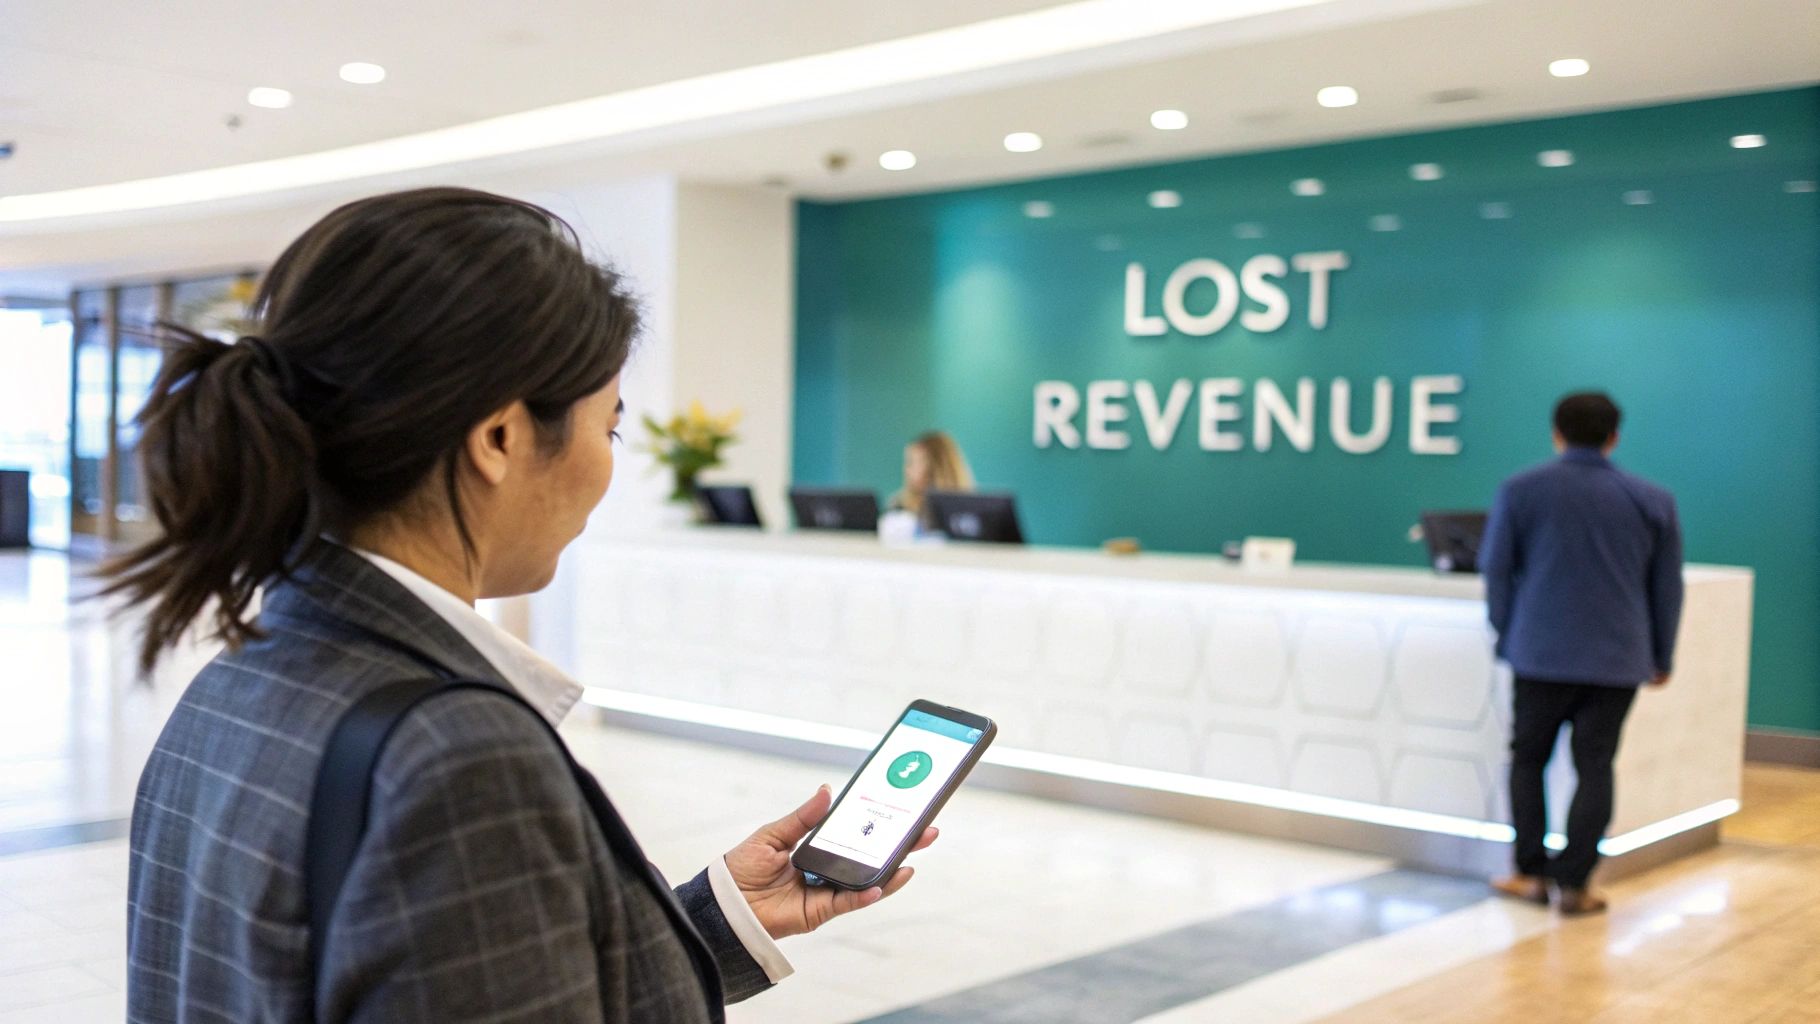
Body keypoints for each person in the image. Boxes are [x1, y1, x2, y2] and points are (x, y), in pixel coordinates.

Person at [109, 187, 934, 1022]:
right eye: (608, 429)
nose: (606, 468)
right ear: (499, 438)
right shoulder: (459, 755)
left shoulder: (238, 677)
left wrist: (718, 921)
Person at [1479, 391, 1683, 915]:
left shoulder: (1521, 490)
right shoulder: (1652, 499)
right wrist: (1662, 654)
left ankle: (1529, 874)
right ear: (1614, 437)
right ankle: (1575, 885)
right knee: (1595, 765)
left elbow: (1496, 569)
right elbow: (1666, 587)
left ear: (1556, 433)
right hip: (1618, 658)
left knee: (1529, 759)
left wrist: (1508, 630)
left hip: (1539, 653)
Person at [889, 430, 975, 531]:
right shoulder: (898, 508)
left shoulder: (969, 513)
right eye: (908, 462)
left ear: (936, 467)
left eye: (912, 462)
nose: (907, 470)